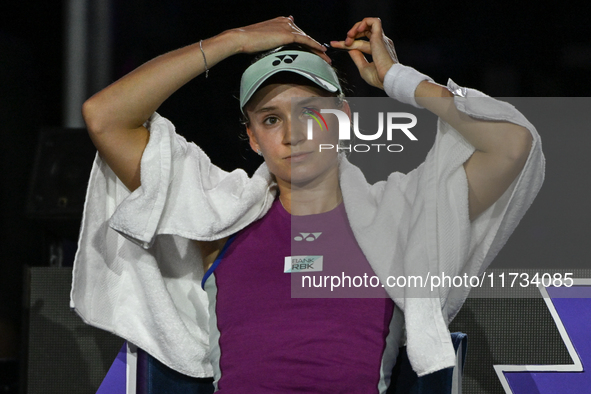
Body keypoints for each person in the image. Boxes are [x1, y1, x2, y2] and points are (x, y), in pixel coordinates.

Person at [71, 16, 544, 392]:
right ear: (253, 138)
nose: (294, 133)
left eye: (311, 113)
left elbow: (510, 143)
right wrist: (234, 40)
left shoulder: (403, 215)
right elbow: (105, 116)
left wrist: (398, 79)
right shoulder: (220, 214)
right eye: (271, 119)